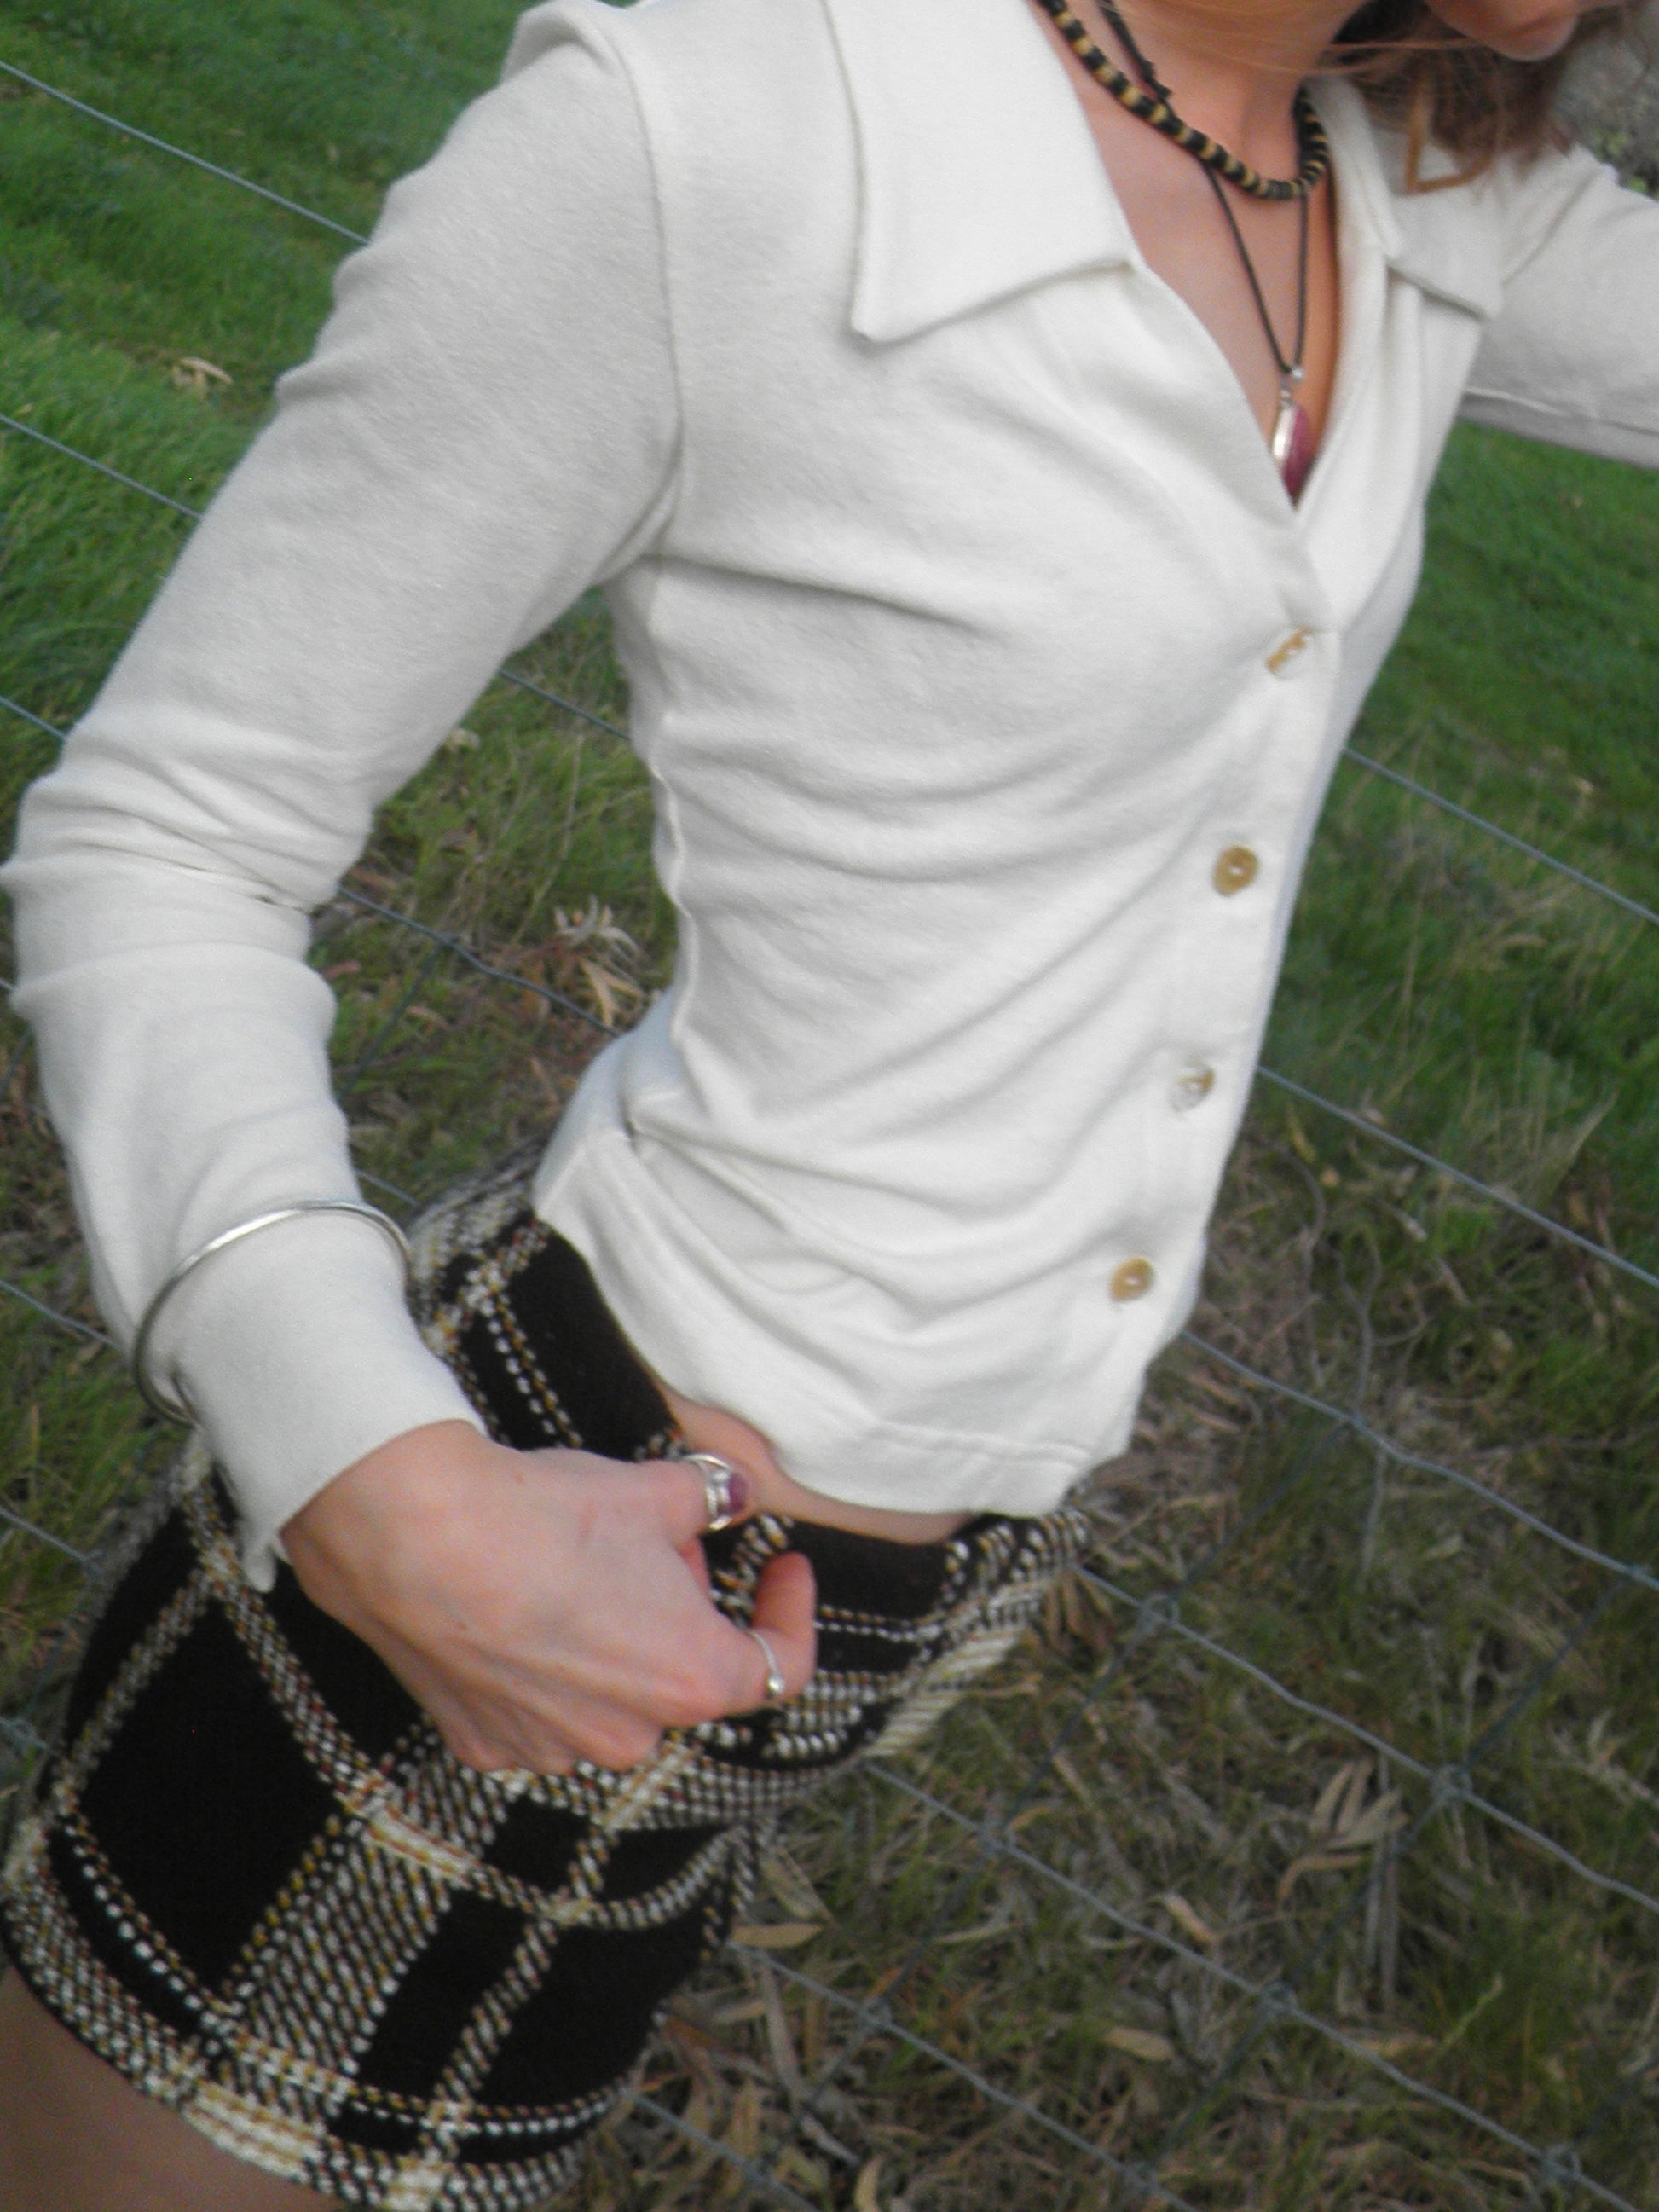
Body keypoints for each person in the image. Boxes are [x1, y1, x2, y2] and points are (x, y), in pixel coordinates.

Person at [1, 0, 1654, 2202]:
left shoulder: (1421, 189)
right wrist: (376, 1481)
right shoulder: (718, 135)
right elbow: (166, 836)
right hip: (519, 1529)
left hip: (839, 1629)